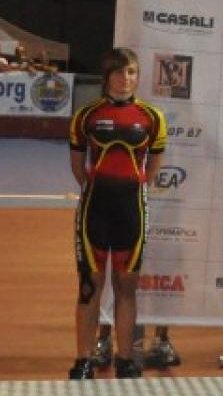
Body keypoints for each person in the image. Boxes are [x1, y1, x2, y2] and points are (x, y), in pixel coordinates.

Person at [66, 47, 167, 379]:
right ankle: (83, 360)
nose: (126, 78)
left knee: (126, 287)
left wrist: (131, 189)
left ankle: (125, 360)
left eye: (132, 72)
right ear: (107, 75)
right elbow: (78, 168)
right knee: (89, 288)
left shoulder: (153, 117)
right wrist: (100, 189)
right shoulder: (86, 116)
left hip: (131, 211)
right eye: (120, 72)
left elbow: (152, 169)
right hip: (95, 210)